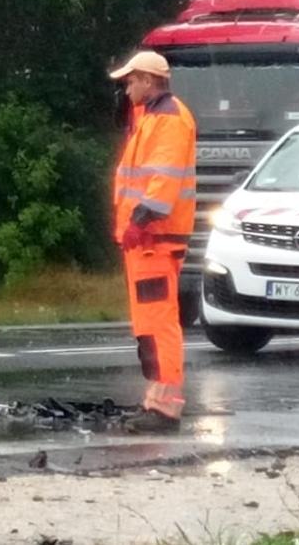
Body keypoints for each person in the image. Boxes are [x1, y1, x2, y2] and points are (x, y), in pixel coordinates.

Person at [108, 50, 197, 433]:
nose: (126, 88)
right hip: (146, 240)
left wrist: (139, 221)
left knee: (159, 324)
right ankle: (156, 401)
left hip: (154, 237)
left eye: (130, 81)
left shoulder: (169, 119)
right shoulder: (150, 118)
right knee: (149, 323)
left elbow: (162, 183)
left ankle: (165, 408)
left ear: (148, 80)